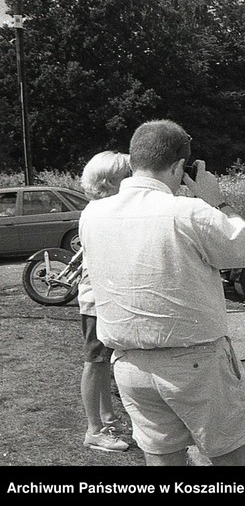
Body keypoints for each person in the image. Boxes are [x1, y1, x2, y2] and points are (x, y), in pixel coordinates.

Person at [79, 120, 245, 466]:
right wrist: (218, 202)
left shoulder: (93, 214)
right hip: (194, 362)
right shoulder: (189, 212)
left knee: (163, 461)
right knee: (232, 461)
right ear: (180, 167)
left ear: (134, 161)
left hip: (130, 363)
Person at [78, 150, 133, 452]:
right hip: (96, 300)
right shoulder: (101, 213)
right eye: (127, 177)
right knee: (95, 363)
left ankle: (107, 421)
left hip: (100, 297)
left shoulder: (97, 209)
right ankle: (94, 430)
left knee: (101, 363)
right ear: (111, 182)